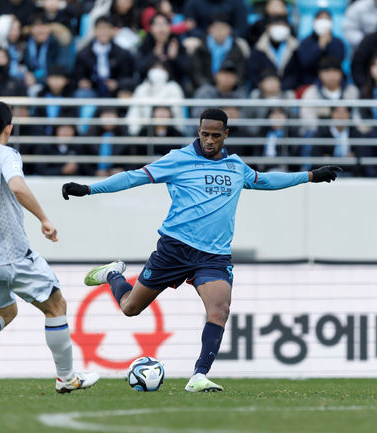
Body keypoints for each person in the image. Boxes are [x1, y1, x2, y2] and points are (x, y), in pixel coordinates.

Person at [60, 108, 341, 392]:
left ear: (226, 135)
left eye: (215, 135)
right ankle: (112, 274)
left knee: (220, 310)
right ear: (199, 131)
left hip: (214, 256)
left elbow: (266, 180)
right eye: (204, 134)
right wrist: (89, 189)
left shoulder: (235, 167)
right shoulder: (178, 159)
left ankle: (198, 376)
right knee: (131, 308)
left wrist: (311, 176)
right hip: (175, 249)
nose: (209, 140)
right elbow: (133, 177)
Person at [0, 101, 99, 394]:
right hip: (12, 252)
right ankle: (67, 378)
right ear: (9, 129)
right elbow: (16, 186)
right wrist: (44, 218)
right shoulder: (7, 154)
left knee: (5, 312)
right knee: (56, 305)